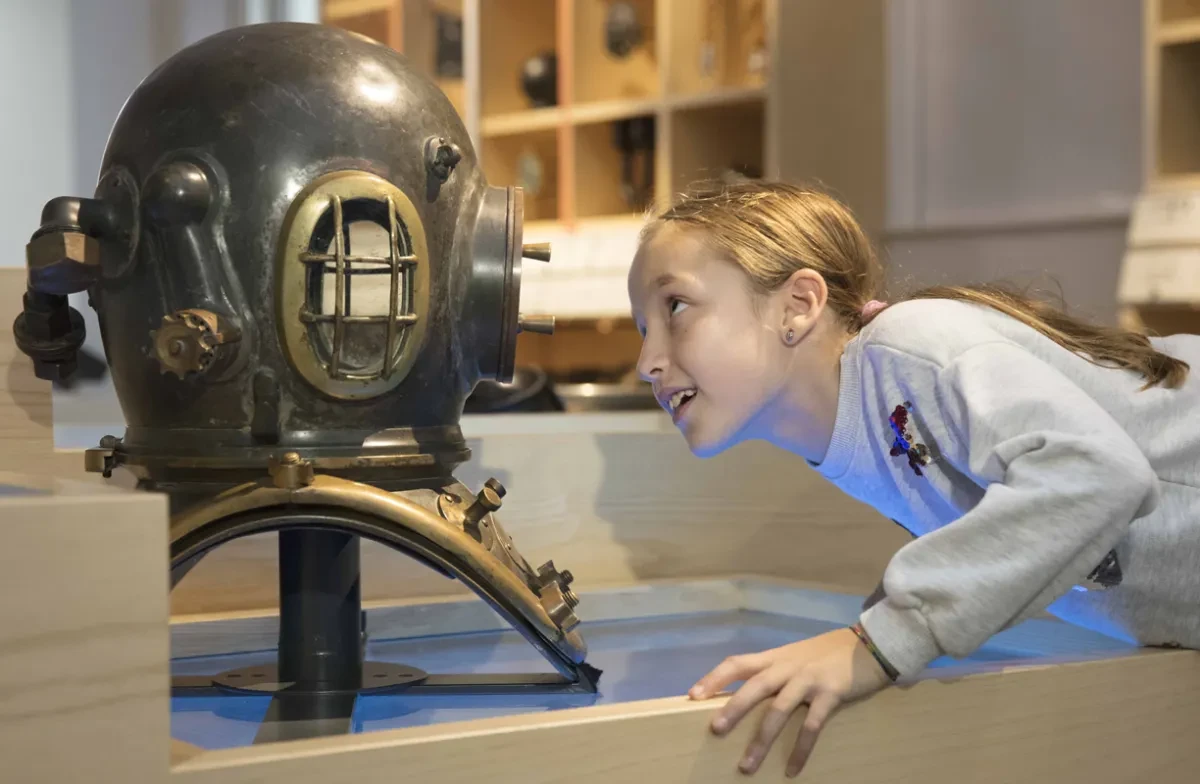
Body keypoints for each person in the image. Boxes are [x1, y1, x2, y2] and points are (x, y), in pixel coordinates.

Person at [626, 180, 1200, 778]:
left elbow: (1096, 473)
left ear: (797, 305)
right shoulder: (856, 439)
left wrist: (877, 642)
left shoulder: (910, 345)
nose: (646, 363)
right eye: (643, 327)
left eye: (675, 308)